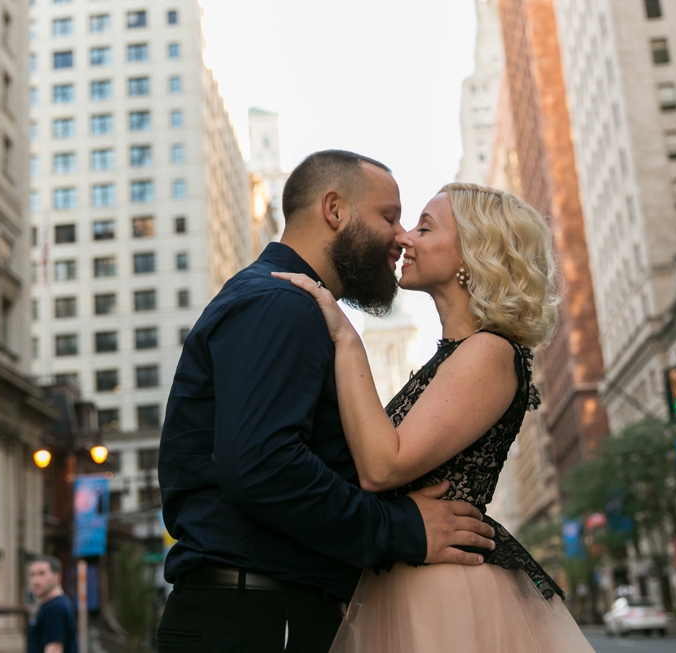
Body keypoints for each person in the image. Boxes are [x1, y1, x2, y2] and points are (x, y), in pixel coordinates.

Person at [156, 151, 496, 653]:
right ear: (334, 210)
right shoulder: (280, 304)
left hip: (264, 612)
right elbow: (263, 466)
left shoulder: (293, 306)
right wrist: (401, 528)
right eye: (388, 216)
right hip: (260, 619)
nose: (401, 236)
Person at [276, 183, 596, 652]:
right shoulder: (455, 356)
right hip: (415, 583)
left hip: (447, 591)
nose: (404, 237)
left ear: (474, 253)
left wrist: (345, 338)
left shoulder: (488, 351)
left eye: (425, 227)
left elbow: (383, 465)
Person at [27, 556, 78, 653]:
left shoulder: (55, 608)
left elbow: (54, 649)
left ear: (57, 576)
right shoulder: (52, 605)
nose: (35, 581)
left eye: (42, 574)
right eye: (33, 575)